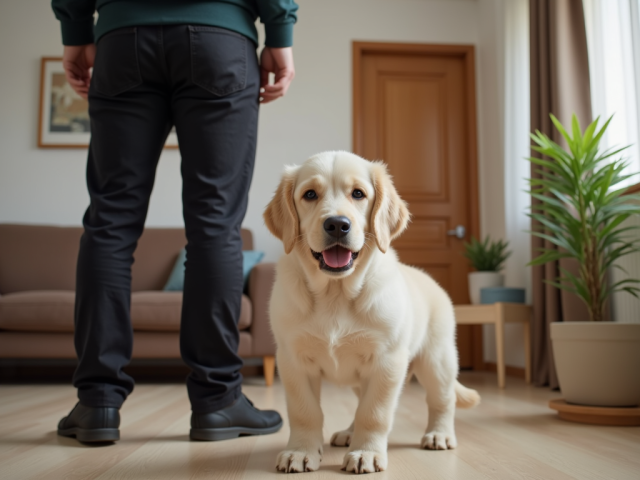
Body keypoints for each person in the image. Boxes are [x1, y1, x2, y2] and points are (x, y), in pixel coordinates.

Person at [51, 0, 298, 443]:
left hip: (122, 38)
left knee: (110, 221)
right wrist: (280, 31)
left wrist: (74, 28)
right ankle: (218, 401)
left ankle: (97, 402)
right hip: (221, 40)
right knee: (216, 224)